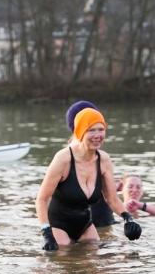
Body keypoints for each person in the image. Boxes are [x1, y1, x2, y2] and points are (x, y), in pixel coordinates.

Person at [36, 107, 142, 250]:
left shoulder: (104, 160)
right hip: (58, 225)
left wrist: (128, 219)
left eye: (101, 129)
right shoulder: (63, 159)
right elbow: (41, 199)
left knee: (96, 261)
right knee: (62, 256)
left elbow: (112, 199)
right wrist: (46, 233)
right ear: (80, 132)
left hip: (85, 224)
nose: (97, 135)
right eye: (91, 130)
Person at [65, 100, 117, 227]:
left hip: (97, 220)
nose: (97, 134)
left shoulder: (101, 157)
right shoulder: (64, 159)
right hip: (93, 220)